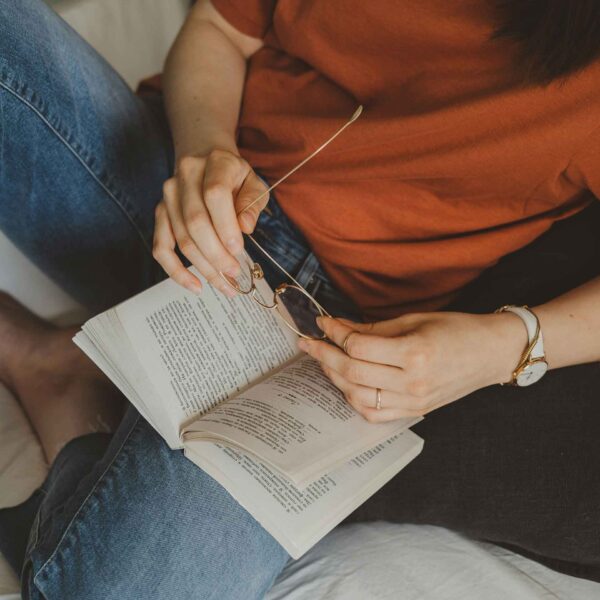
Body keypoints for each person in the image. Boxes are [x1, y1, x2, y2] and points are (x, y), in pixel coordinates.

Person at [0, 0, 599, 597]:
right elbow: (219, 27)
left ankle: (72, 386)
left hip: (328, 331)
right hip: (180, 183)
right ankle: (90, 381)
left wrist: (512, 345)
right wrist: (205, 151)